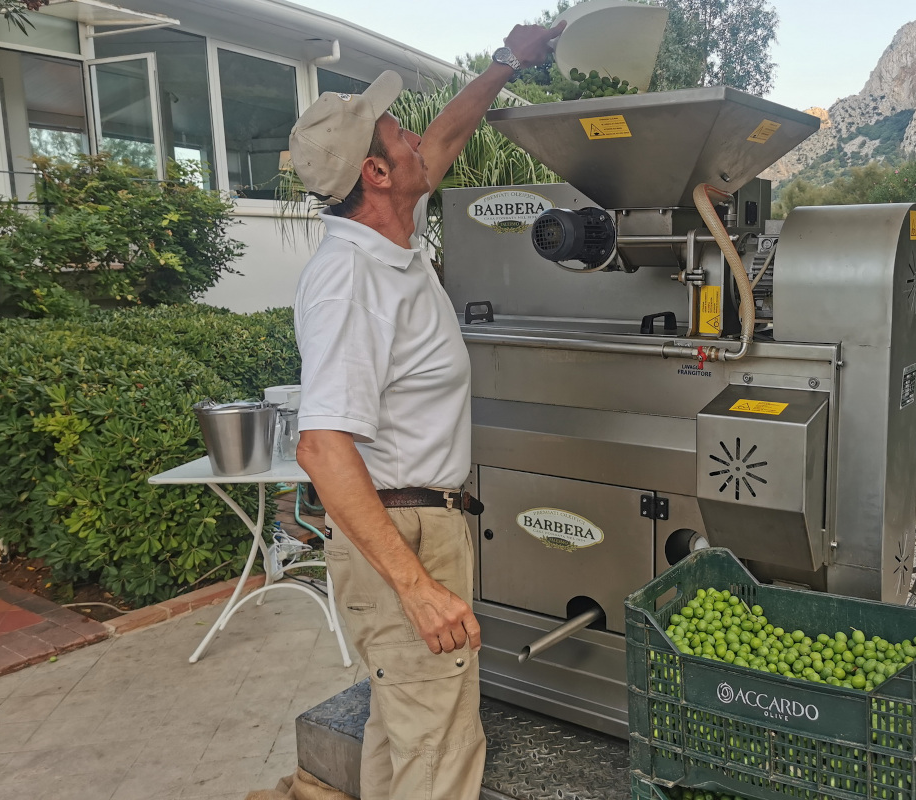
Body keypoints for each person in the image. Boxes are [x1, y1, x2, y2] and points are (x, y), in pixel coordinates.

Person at [289, 21, 564, 800]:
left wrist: (510, 63)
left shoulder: (387, 238)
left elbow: (443, 137)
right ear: (376, 172)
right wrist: (418, 587)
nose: (419, 139)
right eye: (399, 134)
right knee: (439, 750)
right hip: (401, 530)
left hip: (419, 520)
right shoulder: (351, 282)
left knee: (403, 733)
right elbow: (322, 449)